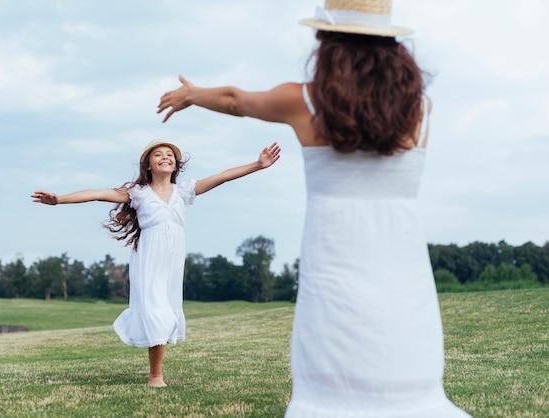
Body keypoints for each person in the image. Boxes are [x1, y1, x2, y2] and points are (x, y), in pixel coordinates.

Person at [157, 0, 471, 415]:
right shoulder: (420, 108)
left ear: (327, 43)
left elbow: (235, 100)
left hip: (334, 245)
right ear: (391, 45)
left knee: (331, 366)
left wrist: (192, 94)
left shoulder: (305, 100)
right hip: (401, 249)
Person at [32, 138, 281, 387]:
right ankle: (155, 376)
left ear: (176, 165)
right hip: (148, 260)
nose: (165, 157)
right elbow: (96, 194)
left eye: (170, 155)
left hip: (173, 263)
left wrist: (258, 164)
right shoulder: (137, 193)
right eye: (158, 154)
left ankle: (155, 372)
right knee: (157, 313)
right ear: (148, 165)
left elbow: (224, 175)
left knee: (166, 313)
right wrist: (59, 199)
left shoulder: (184, 191)